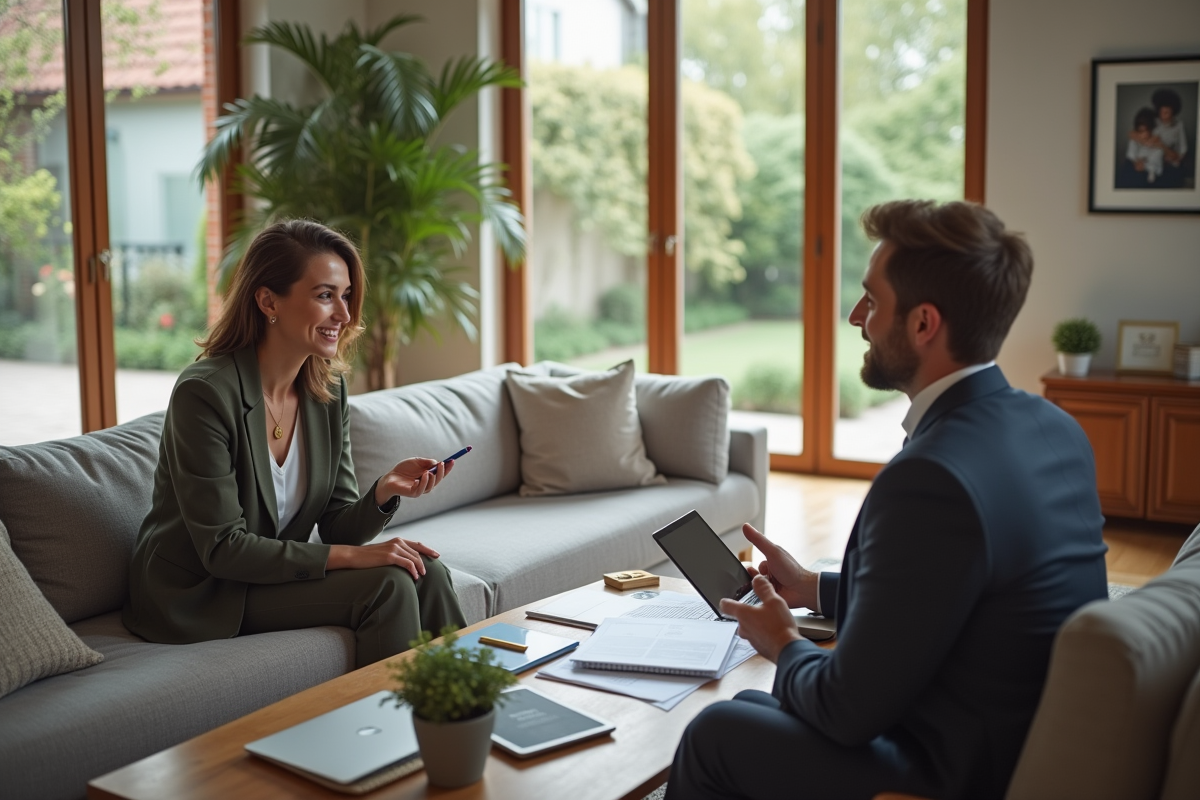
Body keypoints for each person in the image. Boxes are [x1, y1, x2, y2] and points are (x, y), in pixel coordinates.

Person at [666, 200, 1108, 800]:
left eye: (871, 301)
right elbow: (957, 593)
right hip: (1018, 744)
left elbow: (847, 710)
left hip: (952, 775)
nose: (855, 317)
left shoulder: (931, 477)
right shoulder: (1055, 428)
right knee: (752, 706)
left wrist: (781, 640)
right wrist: (813, 587)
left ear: (924, 324)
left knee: (717, 730)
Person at [123, 219, 467, 668]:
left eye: (345, 296)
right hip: (202, 591)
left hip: (271, 575)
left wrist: (384, 490)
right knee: (387, 583)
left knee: (429, 573)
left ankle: (472, 714)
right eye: (325, 295)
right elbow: (225, 549)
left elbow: (338, 525)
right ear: (268, 300)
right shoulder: (205, 393)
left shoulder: (326, 392)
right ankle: (389, 734)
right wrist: (357, 559)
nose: (343, 315)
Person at [1150, 88, 1189, 188]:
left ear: (1173, 112)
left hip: (1171, 165)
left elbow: (1181, 152)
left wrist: (1163, 147)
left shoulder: (1179, 125)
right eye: (1161, 112)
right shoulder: (1153, 122)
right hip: (1153, 163)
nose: (1163, 116)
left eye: (1167, 112)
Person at [1126, 106, 1165, 184]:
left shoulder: (1158, 144)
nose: (1145, 134)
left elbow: (1158, 167)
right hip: (1135, 168)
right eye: (1141, 131)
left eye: (1148, 130)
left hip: (1151, 171)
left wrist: (1145, 166)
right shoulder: (1134, 140)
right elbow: (1130, 155)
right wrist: (1136, 162)